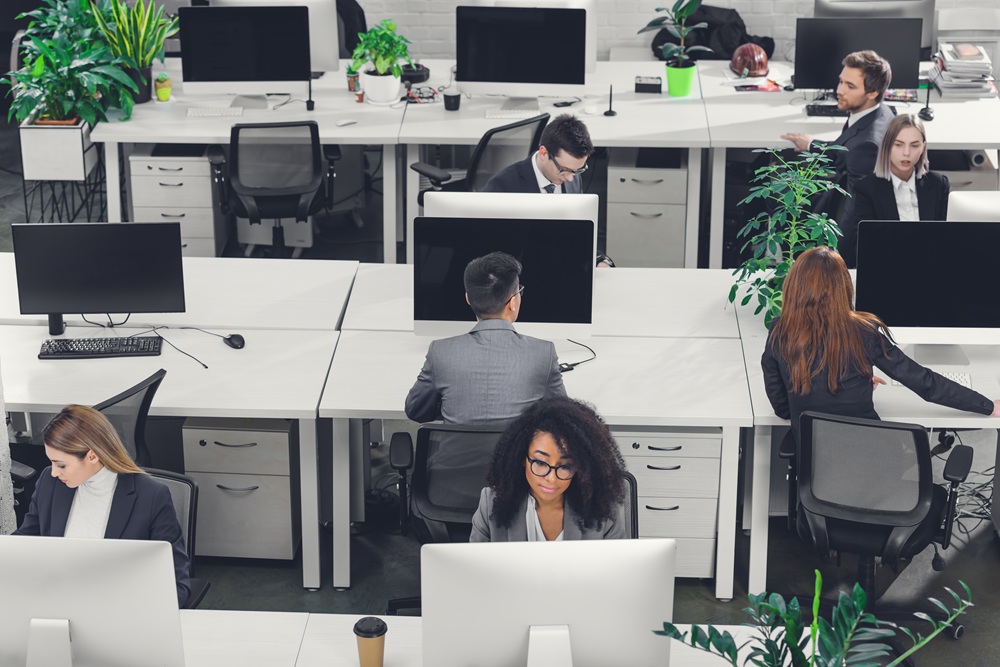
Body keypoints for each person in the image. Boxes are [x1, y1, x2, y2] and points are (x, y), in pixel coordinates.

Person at [761, 246, 1000, 443]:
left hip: (816, 481)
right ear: (843, 286)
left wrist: (851, 379)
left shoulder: (779, 331)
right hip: (874, 467)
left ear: (794, 287)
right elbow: (924, 383)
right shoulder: (864, 331)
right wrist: (988, 406)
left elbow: (783, 408)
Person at [14, 405, 192, 607]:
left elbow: (177, 587)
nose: (54, 472)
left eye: (61, 465)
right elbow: (25, 542)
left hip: (116, 609)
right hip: (57, 603)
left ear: (92, 456)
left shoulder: (151, 496)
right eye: (52, 463)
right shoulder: (50, 482)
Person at [405, 251, 566, 424]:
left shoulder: (440, 352)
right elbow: (561, 416)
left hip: (457, 451)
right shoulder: (543, 353)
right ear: (512, 302)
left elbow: (415, 410)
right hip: (515, 451)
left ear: (468, 299)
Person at [781, 51, 896, 267]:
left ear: (872, 92)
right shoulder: (880, 112)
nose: (839, 90)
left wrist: (832, 260)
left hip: (839, 216)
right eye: (841, 81)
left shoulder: (868, 144)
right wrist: (812, 144)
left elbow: (854, 212)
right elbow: (846, 151)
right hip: (840, 183)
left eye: (850, 86)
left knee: (779, 198)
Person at [470, 397, 628, 542]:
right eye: (540, 463)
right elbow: (474, 569)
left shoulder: (604, 509)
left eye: (565, 466)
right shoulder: (490, 504)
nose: (552, 478)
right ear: (521, 458)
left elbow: (618, 570)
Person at [483, 114, 613, 267]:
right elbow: (489, 253)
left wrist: (599, 259)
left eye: (578, 170)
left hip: (561, 266)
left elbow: (577, 233)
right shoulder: (502, 187)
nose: (571, 178)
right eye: (564, 170)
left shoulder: (571, 176)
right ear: (544, 153)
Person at [845, 114, 949, 244]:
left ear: (923, 147)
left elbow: (944, 237)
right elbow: (866, 244)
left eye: (914, 145)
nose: (906, 153)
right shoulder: (866, 189)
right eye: (898, 145)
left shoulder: (938, 184)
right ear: (887, 146)